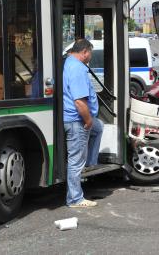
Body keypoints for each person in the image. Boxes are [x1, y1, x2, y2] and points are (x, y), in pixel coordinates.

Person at [63, 39, 104, 208]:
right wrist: (87, 120)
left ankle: (89, 164)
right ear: (85, 52)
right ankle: (75, 199)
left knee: (99, 127)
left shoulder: (68, 62)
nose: (90, 57)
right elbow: (80, 101)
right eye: (90, 53)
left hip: (76, 119)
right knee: (75, 160)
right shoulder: (78, 69)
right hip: (77, 121)